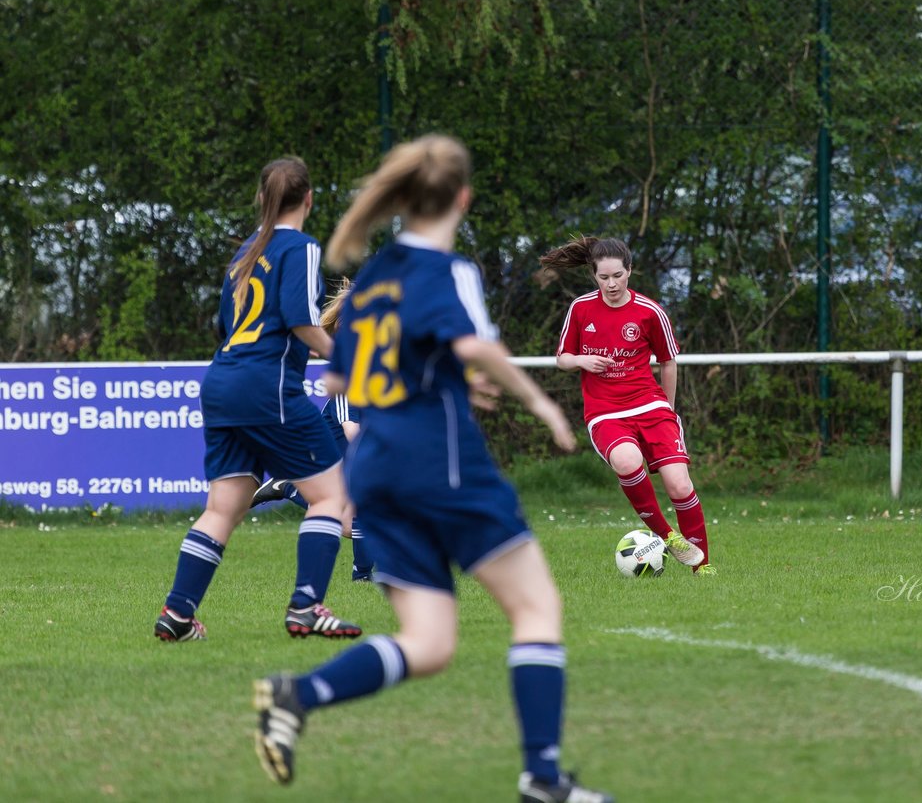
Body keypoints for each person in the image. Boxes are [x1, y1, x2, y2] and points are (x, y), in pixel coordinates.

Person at [252, 135, 614, 803]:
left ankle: (297, 695)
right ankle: (542, 777)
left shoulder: (375, 276)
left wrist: (440, 377)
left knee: (429, 643)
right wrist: (539, 403)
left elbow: (340, 377)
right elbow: (474, 342)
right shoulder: (447, 271)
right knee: (535, 607)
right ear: (463, 200)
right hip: (437, 461)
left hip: (374, 469)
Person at [154, 157, 362, 642]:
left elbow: (228, 327)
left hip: (223, 381)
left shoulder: (246, 252)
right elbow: (301, 322)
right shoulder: (301, 247)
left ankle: (178, 615)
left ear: (261, 198)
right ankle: (306, 606)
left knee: (224, 505)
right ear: (309, 199)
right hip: (266, 385)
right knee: (332, 494)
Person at [540, 236, 714, 575]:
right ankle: (669, 537)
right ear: (594, 276)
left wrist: (668, 409)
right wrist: (583, 360)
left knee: (679, 484)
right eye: (603, 277)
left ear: (629, 271)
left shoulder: (650, 312)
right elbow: (562, 359)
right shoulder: (581, 308)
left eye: (617, 276)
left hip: (650, 405)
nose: (611, 284)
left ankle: (703, 567)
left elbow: (668, 362)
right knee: (626, 460)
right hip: (605, 411)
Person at [250, 281, 376, 582]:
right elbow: (350, 429)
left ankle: (367, 573)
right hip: (334, 450)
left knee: (351, 522)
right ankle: (363, 575)